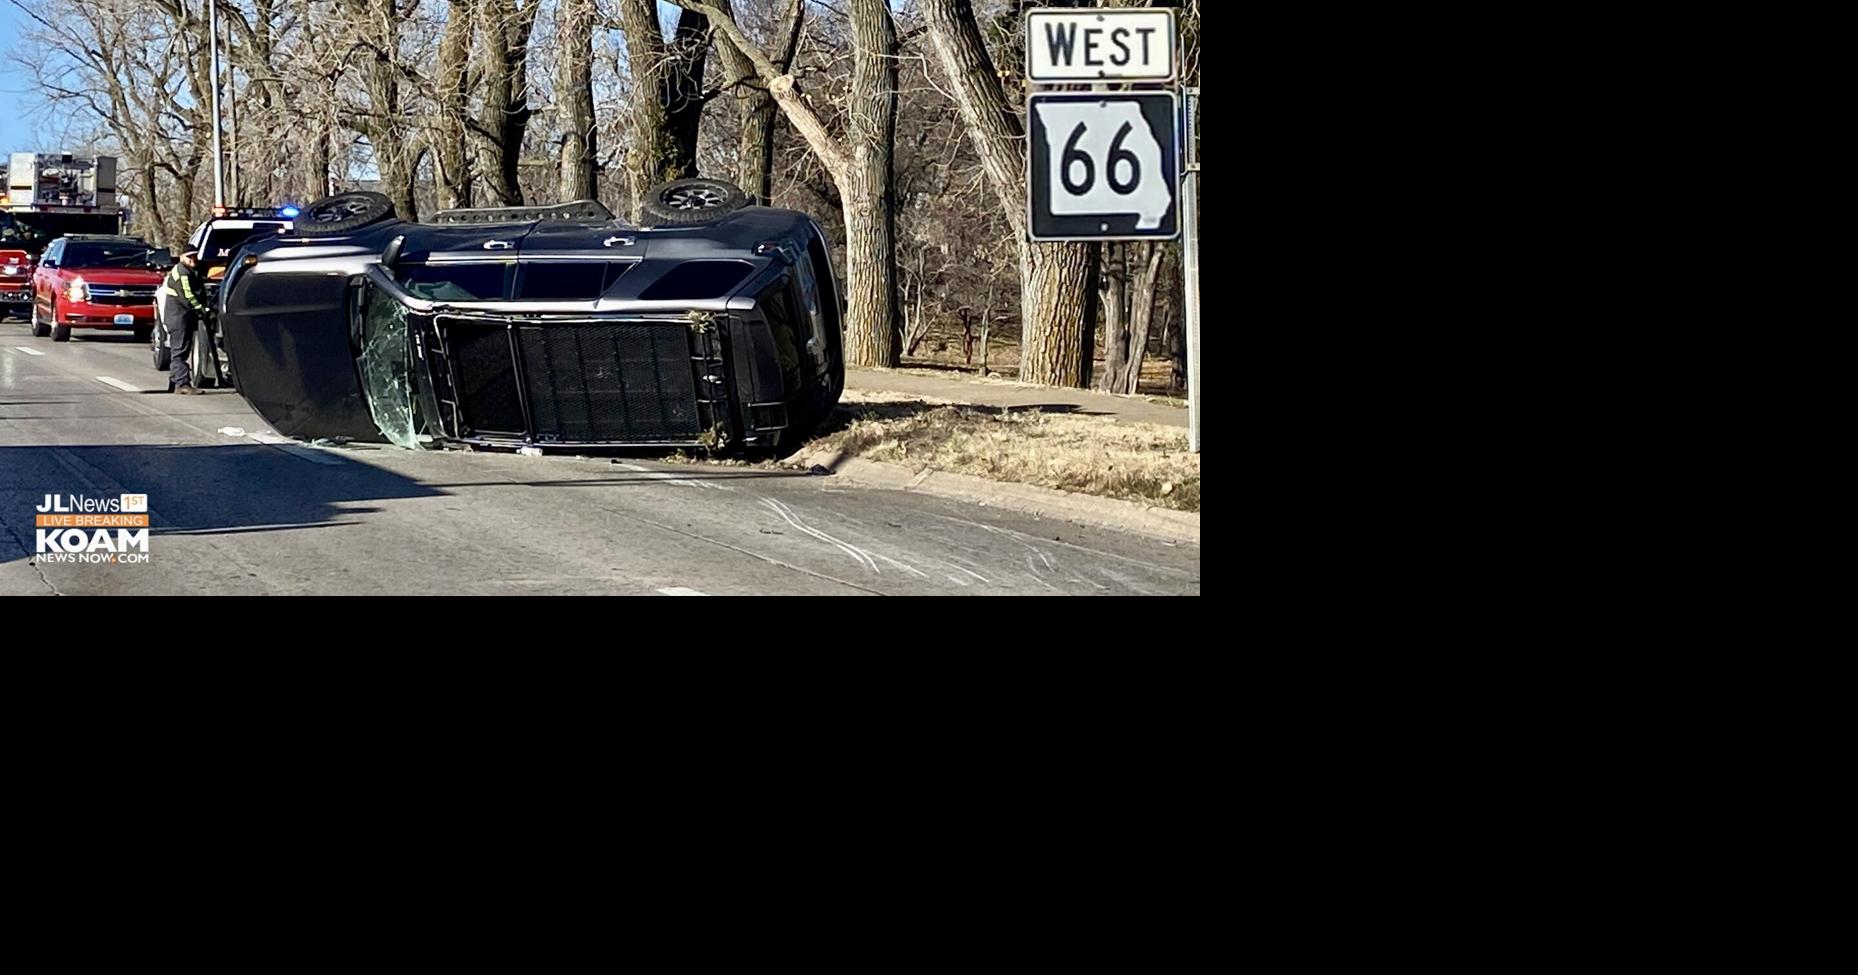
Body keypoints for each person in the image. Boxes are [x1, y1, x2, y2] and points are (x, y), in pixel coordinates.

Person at [158, 250, 210, 394]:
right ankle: (183, 384)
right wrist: (202, 309)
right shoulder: (182, 273)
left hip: (182, 316)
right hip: (178, 317)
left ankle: (174, 383)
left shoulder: (190, 270)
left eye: (194, 256)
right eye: (189, 256)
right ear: (181, 257)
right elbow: (188, 296)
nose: (193, 259)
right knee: (179, 351)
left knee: (181, 350)